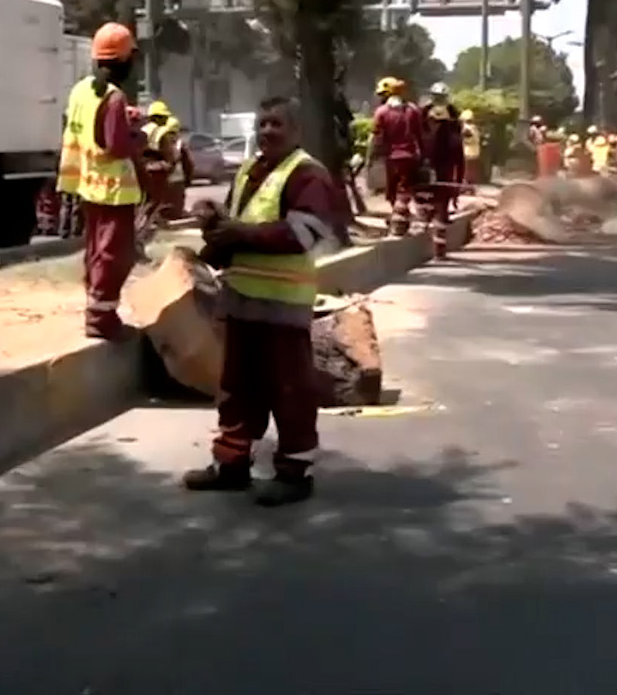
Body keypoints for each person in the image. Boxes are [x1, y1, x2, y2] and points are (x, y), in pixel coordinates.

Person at [184, 95, 345, 507]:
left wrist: (239, 234)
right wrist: (215, 227)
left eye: (277, 124)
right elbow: (241, 224)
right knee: (236, 389)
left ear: (297, 130)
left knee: (289, 390)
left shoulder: (308, 174)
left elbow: (302, 234)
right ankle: (231, 465)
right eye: (263, 124)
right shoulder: (250, 170)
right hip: (242, 300)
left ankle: (294, 472)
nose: (267, 131)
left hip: (281, 305)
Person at [57, 22, 146, 341]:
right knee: (115, 254)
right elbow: (116, 146)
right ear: (124, 60)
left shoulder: (81, 90)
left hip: (89, 185)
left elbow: (89, 128)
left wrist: (123, 118)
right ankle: (101, 317)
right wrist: (139, 137)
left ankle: (95, 307)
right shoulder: (114, 96)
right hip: (114, 190)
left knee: (96, 250)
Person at [370, 76, 423, 236]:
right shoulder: (413, 110)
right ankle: (399, 218)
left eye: (382, 95)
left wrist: (371, 157)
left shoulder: (381, 112)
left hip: (391, 158)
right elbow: (420, 135)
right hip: (410, 157)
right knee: (403, 190)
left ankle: (398, 220)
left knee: (393, 191)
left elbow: (376, 137)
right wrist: (424, 156)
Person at [422, 83, 465, 257]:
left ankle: (439, 246)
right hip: (429, 166)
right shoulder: (423, 114)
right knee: (430, 201)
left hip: (444, 167)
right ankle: (430, 226)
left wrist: (458, 181)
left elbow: (458, 150)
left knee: (441, 205)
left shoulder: (453, 118)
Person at [141, 101, 187, 222]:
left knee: (146, 200)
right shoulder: (162, 133)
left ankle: (143, 222)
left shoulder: (143, 130)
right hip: (158, 172)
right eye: (164, 117)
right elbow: (170, 155)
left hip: (143, 169)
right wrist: (172, 163)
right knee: (156, 201)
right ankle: (150, 223)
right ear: (158, 117)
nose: (166, 120)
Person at [460, 108, 483, 186]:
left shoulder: (467, 128)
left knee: (466, 170)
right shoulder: (474, 128)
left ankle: (466, 184)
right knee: (472, 170)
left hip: (467, 151)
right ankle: (471, 184)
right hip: (475, 151)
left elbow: (468, 139)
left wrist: (462, 140)